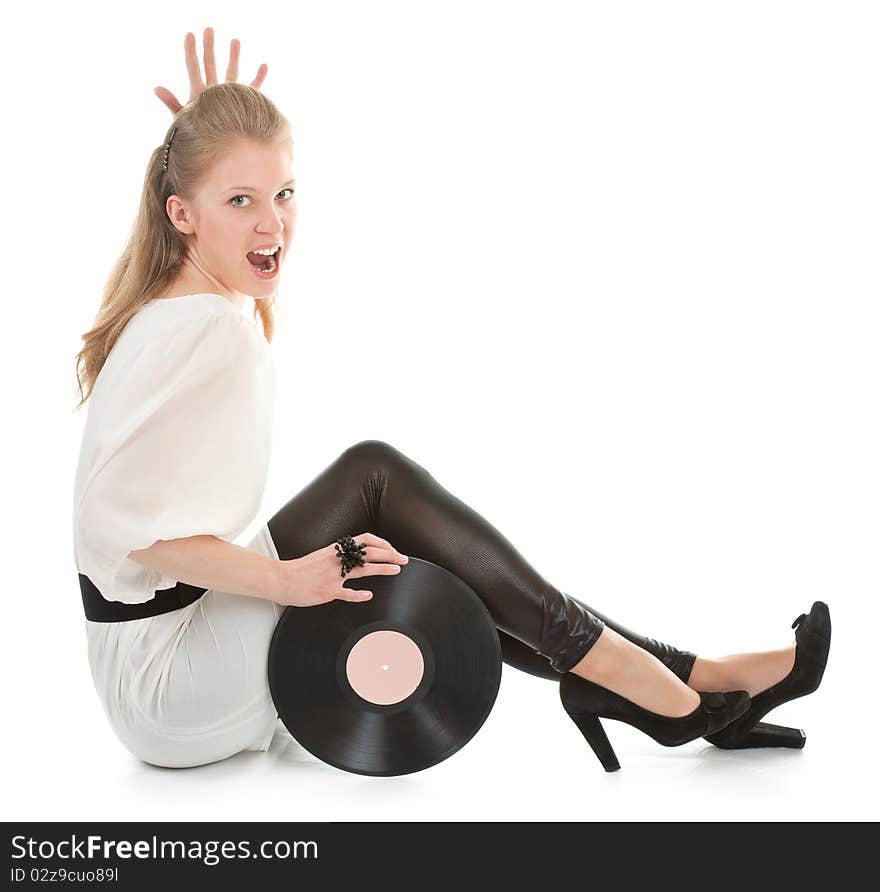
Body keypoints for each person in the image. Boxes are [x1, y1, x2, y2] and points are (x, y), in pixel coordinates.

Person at [72, 28, 830, 771]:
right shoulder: (202, 333)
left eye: (284, 192)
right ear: (181, 214)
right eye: (240, 200)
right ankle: (660, 688)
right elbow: (126, 529)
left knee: (393, 510)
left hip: (163, 657)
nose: (273, 222)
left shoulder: (177, 310)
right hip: (167, 684)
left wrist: (207, 149)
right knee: (376, 478)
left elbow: (146, 518)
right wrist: (285, 581)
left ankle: (684, 680)